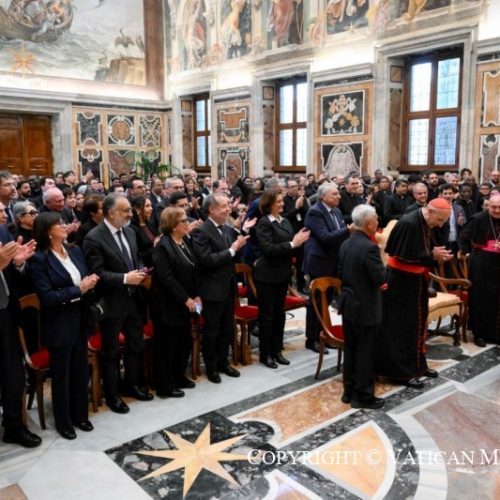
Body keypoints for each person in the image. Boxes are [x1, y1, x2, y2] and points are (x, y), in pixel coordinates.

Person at [30, 213, 99, 439]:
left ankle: (80, 415)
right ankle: (64, 421)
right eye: (58, 224)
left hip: (80, 318)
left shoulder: (74, 250)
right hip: (59, 323)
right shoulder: (39, 259)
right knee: (62, 374)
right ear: (48, 231)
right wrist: (79, 289)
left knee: (80, 369)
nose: (64, 226)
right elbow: (47, 297)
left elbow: (84, 278)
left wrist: (90, 284)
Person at [83, 193, 153, 414]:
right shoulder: (94, 237)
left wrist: (140, 270)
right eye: (126, 211)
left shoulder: (130, 232)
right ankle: (112, 394)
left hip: (134, 299)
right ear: (112, 213)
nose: (131, 214)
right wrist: (124, 278)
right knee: (111, 352)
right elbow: (97, 273)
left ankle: (132, 384)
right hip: (111, 302)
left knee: (135, 345)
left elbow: (136, 257)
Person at [377, 198, 453, 388]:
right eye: (440, 220)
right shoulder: (410, 223)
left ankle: (417, 366)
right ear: (430, 211)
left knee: (417, 325)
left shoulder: (423, 221)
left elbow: (417, 251)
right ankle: (400, 373)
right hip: (401, 283)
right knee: (403, 328)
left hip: (415, 281)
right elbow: (405, 256)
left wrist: (433, 253)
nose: (440, 225)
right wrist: (432, 255)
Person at [192, 193, 254, 383]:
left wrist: (240, 246)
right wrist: (232, 249)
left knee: (227, 328)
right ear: (212, 209)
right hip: (212, 289)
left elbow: (234, 256)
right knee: (212, 331)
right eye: (224, 206)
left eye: (228, 205)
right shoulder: (201, 231)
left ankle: (223, 362)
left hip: (228, 286)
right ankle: (211, 368)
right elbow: (206, 260)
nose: (229, 209)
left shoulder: (227, 229)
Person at [254, 189, 309, 368]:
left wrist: (296, 240)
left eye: (282, 201)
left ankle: (277, 350)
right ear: (269, 204)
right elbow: (268, 249)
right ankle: (266, 353)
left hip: (282, 274)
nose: (282, 204)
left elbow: (289, 243)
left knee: (279, 315)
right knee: (267, 316)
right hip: (267, 275)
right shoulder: (264, 223)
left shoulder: (284, 221)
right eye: (278, 201)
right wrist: (293, 243)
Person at [338, 205, 386, 409]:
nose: (378, 222)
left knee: (351, 349)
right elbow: (380, 278)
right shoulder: (369, 247)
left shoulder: (346, 243)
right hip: (365, 306)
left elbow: (341, 272)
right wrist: (386, 266)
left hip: (348, 303)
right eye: (376, 219)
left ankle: (348, 391)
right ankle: (363, 397)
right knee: (366, 352)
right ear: (368, 223)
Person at [150, 207, 200, 397]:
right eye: (184, 221)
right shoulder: (163, 246)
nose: (188, 223)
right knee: (167, 346)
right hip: (167, 304)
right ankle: (164, 385)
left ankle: (179, 376)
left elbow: (193, 269)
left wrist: (196, 295)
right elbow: (167, 278)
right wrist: (185, 298)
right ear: (172, 225)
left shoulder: (183, 241)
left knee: (182, 342)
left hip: (183, 303)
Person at [0, 224, 41, 448]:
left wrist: (17, 264)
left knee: (14, 375)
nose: (2, 214)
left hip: (6, 313)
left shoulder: (3, 232)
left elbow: (13, 278)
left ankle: (13, 426)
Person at [303, 183, 352, 353]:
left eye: (338, 193)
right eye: (335, 194)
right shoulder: (315, 212)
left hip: (334, 260)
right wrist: (348, 230)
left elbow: (339, 235)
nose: (339, 196)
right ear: (323, 197)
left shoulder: (336, 211)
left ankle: (325, 334)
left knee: (327, 300)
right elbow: (325, 237)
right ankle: (312, 339)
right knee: (316, 301)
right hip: (320, 261)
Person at [458, 193, 500, 346]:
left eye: (499, 207)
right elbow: (463, 237)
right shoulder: (478, 218)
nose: (496, 210)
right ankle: (479, 334)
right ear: (488, 206)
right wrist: (469, 254)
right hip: (481, 264)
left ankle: (496, 334)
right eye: (493, 207)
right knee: (480, 298)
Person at [130, 195, 158, 268]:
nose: (151, 208)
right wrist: (155, 246)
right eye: (147, 206)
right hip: (146, 267)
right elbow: (137, 255)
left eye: (151, 205)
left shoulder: (150, 224)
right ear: (137, 209)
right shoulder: (131, 229)